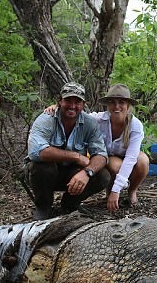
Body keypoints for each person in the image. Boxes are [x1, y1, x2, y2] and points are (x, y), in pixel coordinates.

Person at [45, 84, 149, 211]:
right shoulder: (98, 119)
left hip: (126, 156)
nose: (116, 107)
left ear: (128, 105)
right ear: (107, 104)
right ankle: (109, 191)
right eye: (112, 102)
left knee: (143, 161)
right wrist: (58, 107)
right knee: (115, 165)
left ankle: (132, 191)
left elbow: (131, 158)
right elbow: (77, 112)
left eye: (121, 102)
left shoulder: (135, 125)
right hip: (107, 157)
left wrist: (117, 190)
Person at [26, 82, 110, 220]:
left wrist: (86, 172)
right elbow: (36, 152)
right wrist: (76, 157)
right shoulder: (46, 119)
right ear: (59, 101)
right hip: (45, 175)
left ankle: (70, 204)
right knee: (42, 166)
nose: (72, 106)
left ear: (83, 104)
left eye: (77, 102)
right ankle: (43, 207)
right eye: (68, 101)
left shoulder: (90, 123)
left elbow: (101, 155)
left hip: (72, 174)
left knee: (102, 175)